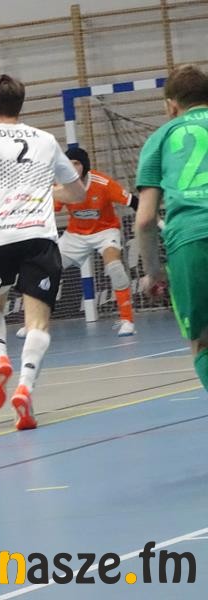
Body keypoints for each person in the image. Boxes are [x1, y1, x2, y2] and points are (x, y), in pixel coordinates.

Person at [0, 74, 86, 430]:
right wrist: (46, 191)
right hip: (39, 236)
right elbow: (78, 193)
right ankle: (25, 389)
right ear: (20, 105)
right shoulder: (45, 140)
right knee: (37, 323)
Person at [136, 64, 208, 392]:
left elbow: (145, 219)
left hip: (190, 240)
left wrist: (154, 272)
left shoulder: (161, 138)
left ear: (171, 105)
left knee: (203, 342)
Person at [18, 147, 140, 338]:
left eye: (77, 163)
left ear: (85, 165)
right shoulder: (63, 185)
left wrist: (156, 223)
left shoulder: (103, 182)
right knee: (42, 270)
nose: (73, 167)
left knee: (115, 268)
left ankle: (127, 321)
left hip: (105, 231)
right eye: (69, 163)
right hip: (75, 236)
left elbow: (134, 202)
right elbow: (49, 208)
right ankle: (33, 322)